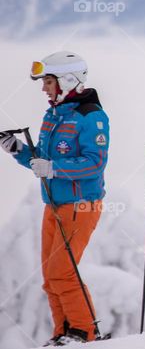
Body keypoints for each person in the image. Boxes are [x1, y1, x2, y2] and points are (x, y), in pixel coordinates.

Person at [0, 51, 110, 345]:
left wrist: (53, 168)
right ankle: (63, 333)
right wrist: (18, 150)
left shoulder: (91, 117)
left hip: (80, 205)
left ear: (68, 80)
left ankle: (84, 333)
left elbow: (94, 162)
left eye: (48, 81)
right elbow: (43, 162)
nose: (44, 87)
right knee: (51, 276)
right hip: (54, 204)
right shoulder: (54, 115)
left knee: (62, 271)